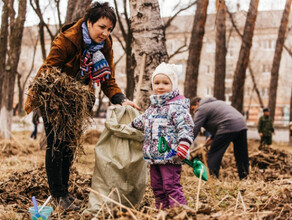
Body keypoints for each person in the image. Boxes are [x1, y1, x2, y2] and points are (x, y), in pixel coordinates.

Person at [24, 2, 139, 210]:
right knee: (56, 145)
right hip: (56, 99)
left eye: (109, 29)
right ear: (89, 22)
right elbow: (48, 71)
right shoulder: (67, 40)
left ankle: (65, 194)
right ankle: (57, 195)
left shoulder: (105, 44)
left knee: (69, 146)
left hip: (77, 101)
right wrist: (37, 102)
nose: (105, 33)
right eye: (101, 27)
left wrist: (121, 99)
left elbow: (107, 78)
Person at [131, 62, 194, 209]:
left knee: (170, 186)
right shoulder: (153, 108)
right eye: (157, 83)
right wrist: (128, 126)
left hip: (171, 157)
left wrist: (184, 144)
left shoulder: (177, 107)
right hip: (154, 157)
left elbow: (186, 127)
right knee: (157, 187)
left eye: (165, 83)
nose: (160, 86)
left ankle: (178, 213)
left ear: (173, 85)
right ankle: (162, 212)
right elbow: (141, 121)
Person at [190, 97, 249, 180]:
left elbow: (195, 128)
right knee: (241, 154)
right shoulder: (218, 103)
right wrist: (213, 137)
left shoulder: (201, 108)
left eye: (193, 109)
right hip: (241, 124)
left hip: (227, 125)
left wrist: (185, 144)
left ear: (197, 103)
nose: (194, 112)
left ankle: (212, 178)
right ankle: (244, 177)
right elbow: (220, 118)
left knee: (213, 153)